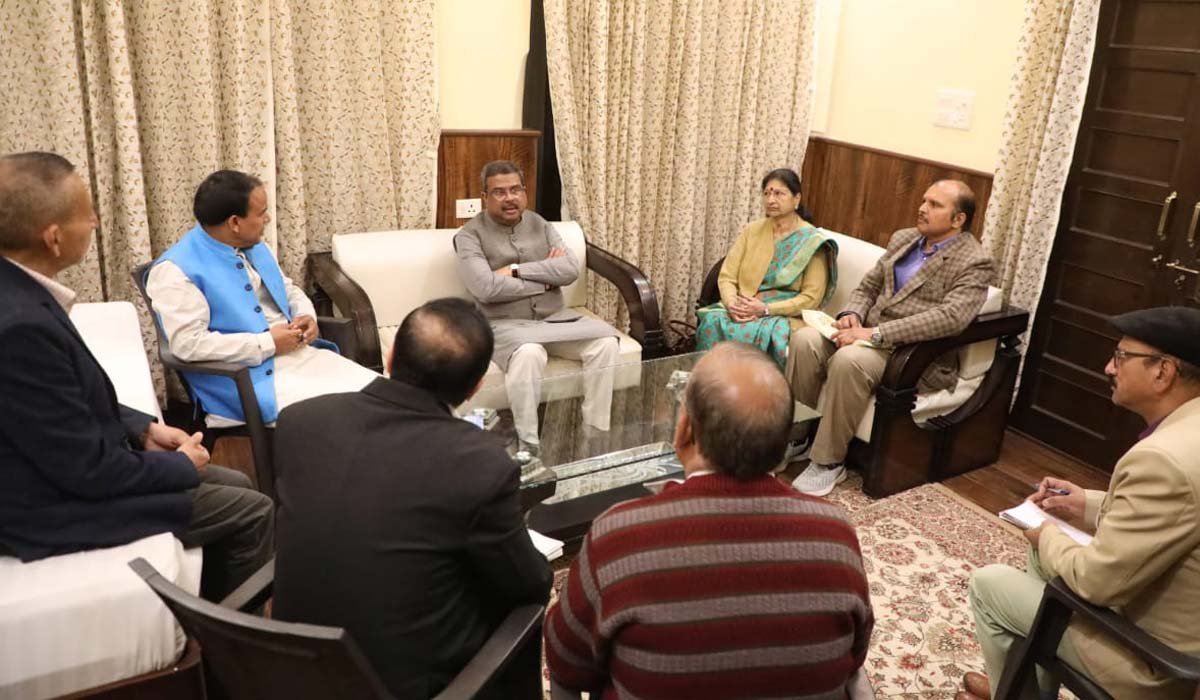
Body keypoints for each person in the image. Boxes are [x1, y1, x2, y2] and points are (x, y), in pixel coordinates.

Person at [0, 152, 272, 601]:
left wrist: (142, 428)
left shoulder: (21, 291)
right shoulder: (20, 327)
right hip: (48, 506)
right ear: (53, 238)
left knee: (239, 485)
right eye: (86, 214)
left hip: (71, 466)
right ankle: (226, 638)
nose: (95, 223)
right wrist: (178, 465)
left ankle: (211, 607)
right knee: (254, 510)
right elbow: (86, 472)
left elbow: (57, 400)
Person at [545, 341, 874, 698]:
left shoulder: (617, 537)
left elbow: (566, 663)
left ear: (684, 431)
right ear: (782, 445)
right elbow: (854, 655)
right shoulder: (835, 533)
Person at [272, 297, 552, 699]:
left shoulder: (300, 422)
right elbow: (528, 584)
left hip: (288, 671)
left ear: (389, 358)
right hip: (396, 688)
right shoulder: (480, 462)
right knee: (520, 603)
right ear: (474, 388)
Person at [962, 306, 1200, 700]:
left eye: (1121, 357)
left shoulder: (1163, 460)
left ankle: (1016, 691)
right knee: (1045, 560)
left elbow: (1095, 583)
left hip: (1151, 659)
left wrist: (1046, 534)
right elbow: (1169, 513)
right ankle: (1019, 684)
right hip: (1171, 621)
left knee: (990, 585)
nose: (1108, 367)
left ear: (1163, 372)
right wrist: (1084, 504)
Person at [789, 179, 994, 496]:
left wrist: (875, 333)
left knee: (850, 361)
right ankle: (797, 437)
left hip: (910, 354)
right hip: (865, 333)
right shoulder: (904, 238)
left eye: (935, 205)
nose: (922, 208)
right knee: (805, 341)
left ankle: (829, 463)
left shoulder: (974, 261)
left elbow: (951, 317)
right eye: (923, 200)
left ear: (958, 219)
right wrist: (852, 314)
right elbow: (869, 286)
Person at [146, 170, 377, 427]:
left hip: (300, 357)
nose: (267, 219)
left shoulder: (255, 245)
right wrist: (267, 343)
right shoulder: (175, 271)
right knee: (351, 417)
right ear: (235, 222)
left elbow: (288, 289)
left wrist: (305, 314)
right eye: (261, 213)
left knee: (384, 397)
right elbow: (188, 345)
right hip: (247, 381)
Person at [453, 160, 619, 455]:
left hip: (557, 319)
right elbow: (486, 288)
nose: (510, 198)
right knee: (529, 353)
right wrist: (546, 280)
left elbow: (569, 269)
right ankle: (529, 443)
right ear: (485, 197)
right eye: (500, 192)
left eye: (515, 189)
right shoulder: (469, 235)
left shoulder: (540, 223)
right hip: (505, 325)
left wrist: (515, 270)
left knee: (605, 343)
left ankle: (595, 435)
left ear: (524, 192)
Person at [696, 168, 838, 367]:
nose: (771, 200)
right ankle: (711, 383)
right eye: (767, 193)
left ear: (796, 199)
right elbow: (727, 276)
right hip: (744, 304)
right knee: (712, 320)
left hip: (783, 314)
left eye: (779, 193)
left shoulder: (813, 242)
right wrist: (732, 304)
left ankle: (754, 386)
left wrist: (765, 309)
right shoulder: (752, 230)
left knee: (755, 331)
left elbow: (811, 298)